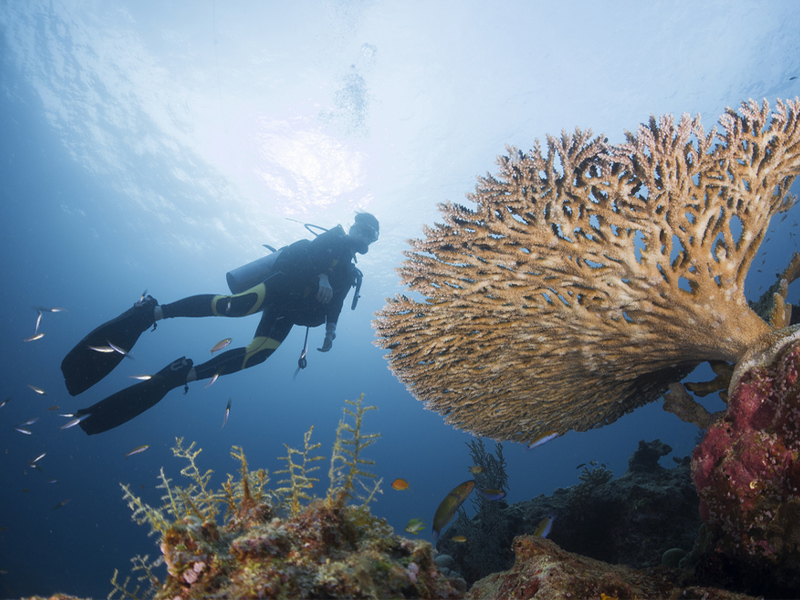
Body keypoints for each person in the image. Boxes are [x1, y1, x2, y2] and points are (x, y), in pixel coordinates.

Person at [61, 212, 380, 435]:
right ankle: (153, 313)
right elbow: (309, 253)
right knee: (236, 307)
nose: (364, 236)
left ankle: (181, 375)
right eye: (363, 229)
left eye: (371, 235)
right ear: (353, 226)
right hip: (283, 286)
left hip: (289, 312)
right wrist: (323, 274)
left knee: (259, 354)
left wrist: (331, 331)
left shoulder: (352, 274)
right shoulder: (334, 238)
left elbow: (335, 304)